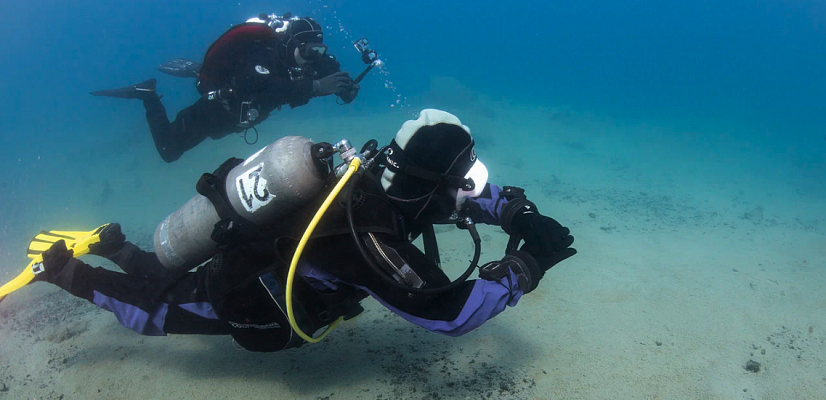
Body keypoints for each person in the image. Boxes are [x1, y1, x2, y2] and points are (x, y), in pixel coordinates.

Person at [29, 109, 577, 352]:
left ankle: (118, 246)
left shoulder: (386, 179)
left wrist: (516, 214)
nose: (474, 191)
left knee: (165, 276)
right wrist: (525, 269)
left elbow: (458, 197)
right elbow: (448, 313)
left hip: (258, 245)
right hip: (248, 286)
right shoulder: (369, 238)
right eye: (468, 182)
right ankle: (64, 273)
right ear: (430, 184)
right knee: (154, 310)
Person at [90, 13, 360, 163]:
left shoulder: (304, 58)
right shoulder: (262, 56)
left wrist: (346, 89)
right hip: (214, 112)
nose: (314, 56)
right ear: (292, 45)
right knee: (169, 151)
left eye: (319, 49)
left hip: (235, 122)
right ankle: (147, 95)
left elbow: (331, 72)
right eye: (309, 50)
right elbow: (259, 87)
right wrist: (314, 87)